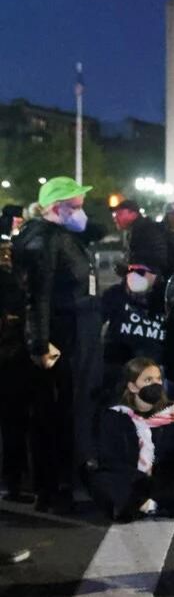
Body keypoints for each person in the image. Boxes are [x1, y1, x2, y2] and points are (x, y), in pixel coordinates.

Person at [11, 177, 105, 512]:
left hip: (78, 330)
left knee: (74, 406)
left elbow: (96, 229)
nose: (82, 213)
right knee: (60, 410)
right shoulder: (45, 239)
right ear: (55, 208)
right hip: (65, 335)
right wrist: (40, 343)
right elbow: (39, 295)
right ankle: (58, 485)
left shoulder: (62, 236)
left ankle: (69, 478)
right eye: (76, 206)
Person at [87, 358, 174, 521]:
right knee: (100, 478)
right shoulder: (114, 416)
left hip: (159, 478)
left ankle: (149, 504)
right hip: (129, 478)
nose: (155, 384)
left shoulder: (172, 414)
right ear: (132, 386)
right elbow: (110, 457)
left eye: (158, 379)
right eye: (148, 380)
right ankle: (150, 505)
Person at [0, 207, 33, 502]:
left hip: (14, 353)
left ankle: (15, 480)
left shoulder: (18, 277)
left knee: (15, 421)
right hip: (9, 353)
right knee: (12, 421)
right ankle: (12, 481)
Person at [111, 199, 173, 280]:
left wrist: (130, 268)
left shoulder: (147, 231)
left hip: (151, 285)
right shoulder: (136, 231)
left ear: (133, 214)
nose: (115, 218)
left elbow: (157, 260)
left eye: (120, 214)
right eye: (115, 214)